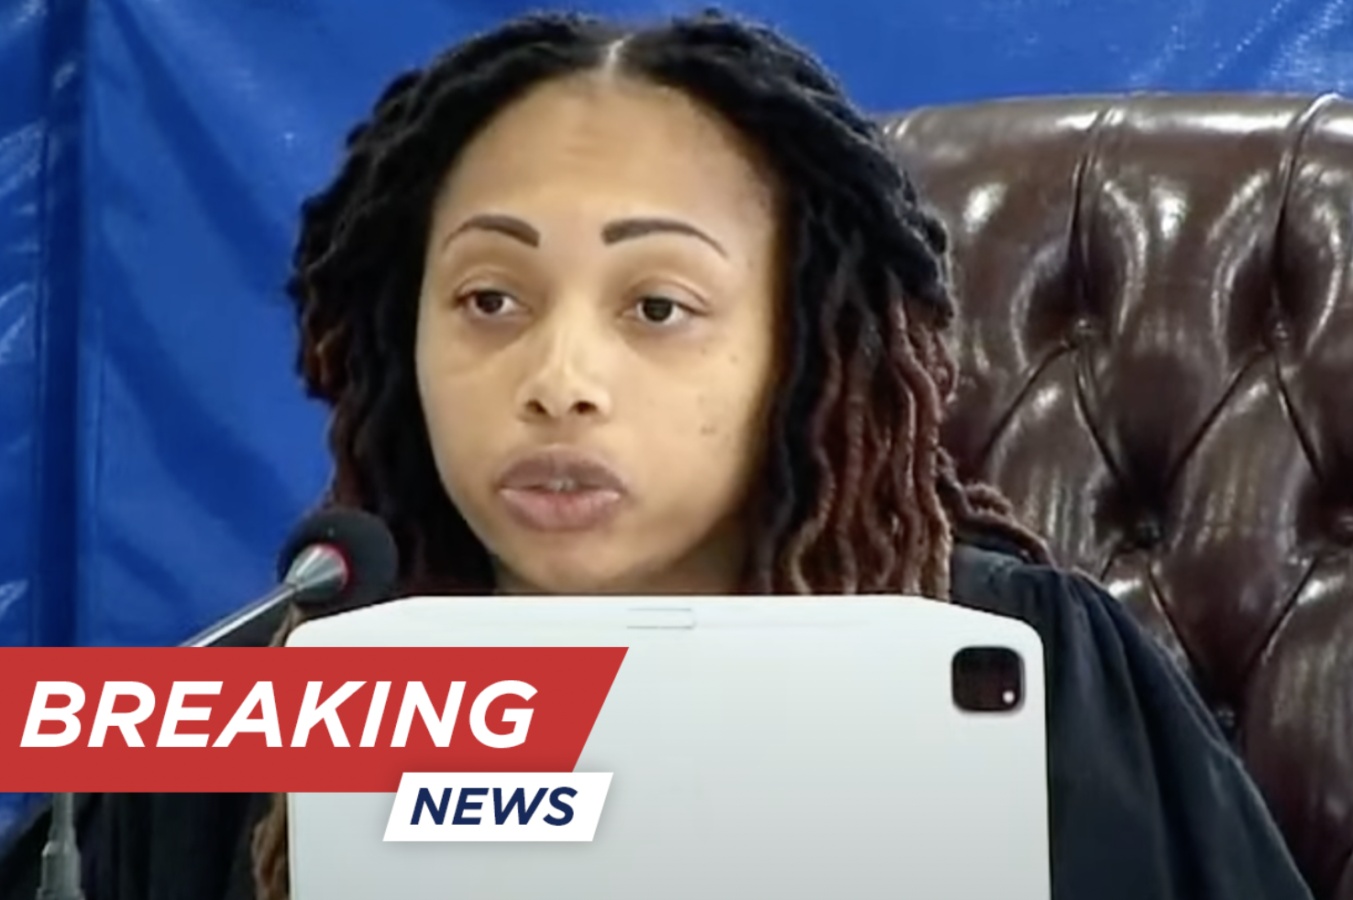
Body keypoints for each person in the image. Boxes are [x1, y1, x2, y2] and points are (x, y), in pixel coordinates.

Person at [0, 9, 1316, 900]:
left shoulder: (1024, 668)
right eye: (490, 300)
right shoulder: (256, 712)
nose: (559, 381)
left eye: (658, 307)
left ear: (800, 352)